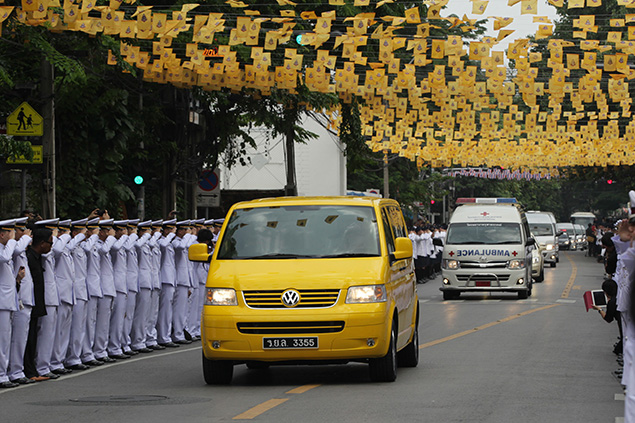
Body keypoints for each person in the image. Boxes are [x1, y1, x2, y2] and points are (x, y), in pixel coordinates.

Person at [8, 218, 36, 385]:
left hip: (22, 299)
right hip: (15, 300)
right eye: (21, 231)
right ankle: (12, 371)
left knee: (19, 339)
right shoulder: (13, 249)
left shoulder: (20, 250)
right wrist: (22, 238)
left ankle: (16, 371)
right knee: (11, 339)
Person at [23, 226, 53, 382]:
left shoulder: (38, 257)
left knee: (33, 337)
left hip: (36, 303)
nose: (51, 246)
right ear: (42, 243)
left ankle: (32, 369)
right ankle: (29, 370)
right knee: (28, 339)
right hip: (29, 303)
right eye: (50, 243)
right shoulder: (28, 257)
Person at [0, 219, 18, 388]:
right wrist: (12, 241)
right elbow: (5, 258)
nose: (13, 237)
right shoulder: (4, 250)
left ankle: (3, 373)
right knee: (2, 340)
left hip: (7, 301)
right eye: (11, 233)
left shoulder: (6, 248)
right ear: (2, 234)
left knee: (5, 340)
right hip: (1, 302)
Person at [157, 219, 178, 348]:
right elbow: (163, 245)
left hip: (171, 279)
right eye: (169, 229)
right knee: (164, 310)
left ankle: (166, 335)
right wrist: (171, 234)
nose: (172, 232)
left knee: (167, 310)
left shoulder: (170, 242)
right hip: (165, 279)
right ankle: (162, 336)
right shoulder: (161, 241)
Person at [592, 279, 622, 356]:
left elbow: (608, 319)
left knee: (618, 349)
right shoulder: (621, 297)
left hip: (623, 325)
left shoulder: (612, 302)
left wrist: (599, 309)